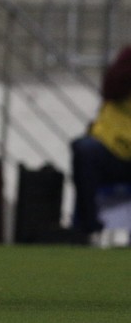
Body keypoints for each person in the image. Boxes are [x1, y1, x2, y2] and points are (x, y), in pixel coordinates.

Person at [71, 45, 131, 241]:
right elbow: (110, 87)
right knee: (84, 149)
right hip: (112, 146)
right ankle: (87, 227)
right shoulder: (126, 60)